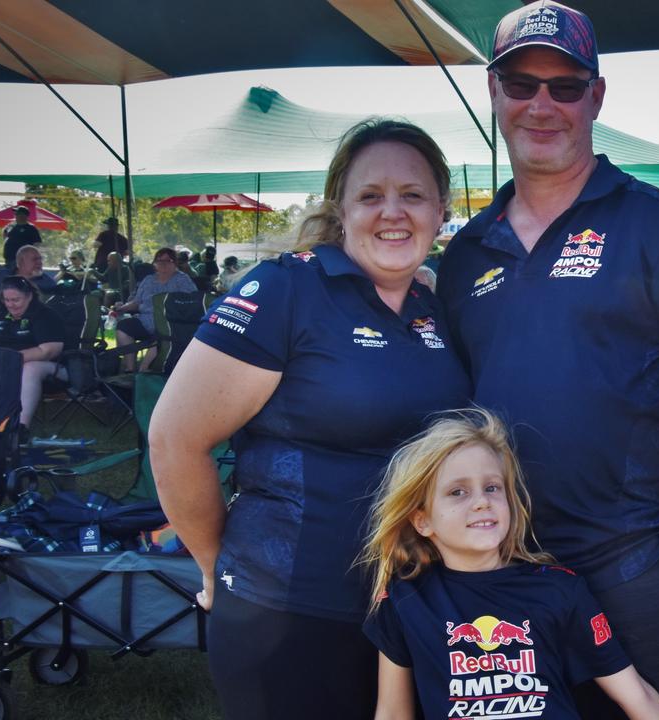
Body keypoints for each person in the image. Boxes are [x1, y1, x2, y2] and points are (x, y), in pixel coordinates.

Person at [435, 4, 659, 715]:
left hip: (635, 561)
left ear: (596, 97)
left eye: (565, 86)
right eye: (521, 83)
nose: (541, 104)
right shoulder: (465, 253)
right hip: (505, 565)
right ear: (494, 92)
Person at [148, 118, 471, 720]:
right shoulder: (284, 288)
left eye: (413, 195)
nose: (392, 212)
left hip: (411, 605)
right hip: (288, 612)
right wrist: (215, 564)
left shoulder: (433, 305)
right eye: (371, 196)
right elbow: (175, 439)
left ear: (441, 209)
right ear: (340, 209)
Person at [360, 408, 659, 720]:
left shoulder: (559, 588)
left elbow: (638, 696)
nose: (482, 501)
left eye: (492, 487)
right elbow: (392, 712)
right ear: (423, 521)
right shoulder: (405, 600)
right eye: (458, 492)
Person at [0, 275, 64, 430]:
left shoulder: (45, 315)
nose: (11, 305)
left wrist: (10, 360)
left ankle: (20, 428)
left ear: (29, 296)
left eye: (16, 300)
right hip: (3, 365)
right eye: (7, 300)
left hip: (53, 368)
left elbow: (49, 351)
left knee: (29, 368)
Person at [110, 247, 196, 371]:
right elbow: (137, 301)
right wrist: (121, 308)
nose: (163, 264)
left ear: (174, 263)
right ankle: (130, 369)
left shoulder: (182, 280)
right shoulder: (148, 280)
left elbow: (192, 301)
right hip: (145, 320)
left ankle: (143, 372)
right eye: (159, 261)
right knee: (123, 328)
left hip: (169, 322)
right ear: (154, 263)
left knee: (160, 336)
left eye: (167, 261)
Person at [1, 205, 42, 269]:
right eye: (15, 214)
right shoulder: (11, 226)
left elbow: (37, 244)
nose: (15, 215)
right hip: (9, 260)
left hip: (22, 261)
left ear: (24, 215)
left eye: (17, 213)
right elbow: (5, 235)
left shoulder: (31, 228)